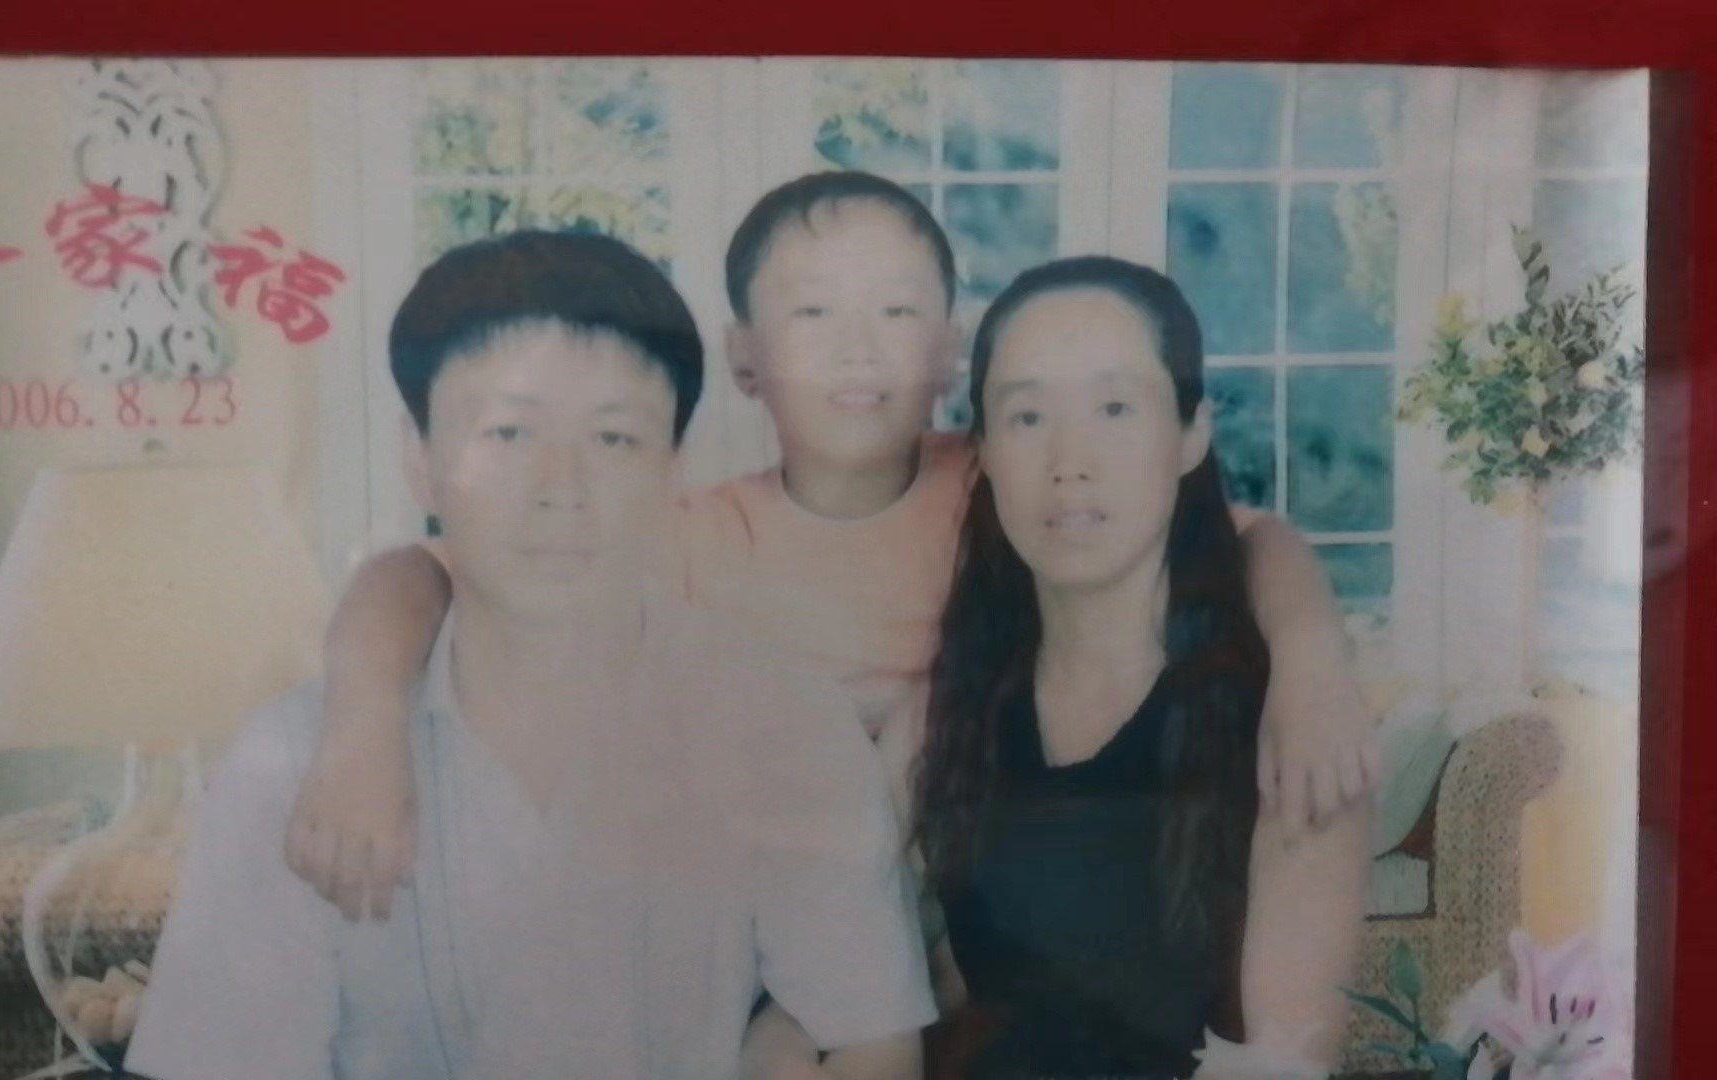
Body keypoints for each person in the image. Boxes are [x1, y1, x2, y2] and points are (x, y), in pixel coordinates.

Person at [282, 171, 1376, 926]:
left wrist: (1314, 665)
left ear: (949, 349)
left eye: (897, 312)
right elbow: (417, 575)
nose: (859, 351)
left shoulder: (1013, 480)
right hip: (782, 913)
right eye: (812, 315)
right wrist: (362, 730)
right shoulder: (690, 533)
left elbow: (1249, 536)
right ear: (744, 357)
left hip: (995, 910)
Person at [126, 231, 934, 1080]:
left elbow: (868, 1037)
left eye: (613, 439)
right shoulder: (294, 762)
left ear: (673, 468)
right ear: (419, 460)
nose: (561, 489)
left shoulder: (782, 724)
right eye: (508, 433)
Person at [908, 257, 1370, 1078]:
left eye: (1115, 408)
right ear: (984, 449)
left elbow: (1283, 1067)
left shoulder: (1292, 727)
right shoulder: (951, 711)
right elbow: (828, 926)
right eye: (1026, 416)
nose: (1070, 461)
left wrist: (1309, 645)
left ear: (1191, 433)